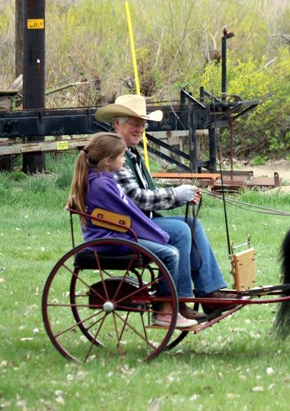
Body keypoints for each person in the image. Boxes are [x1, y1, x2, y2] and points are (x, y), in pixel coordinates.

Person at [95, 94, 229, 320]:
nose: (139, 129)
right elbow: (137, 198)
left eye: (142, 124)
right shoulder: (114, 156)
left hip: (139, 221)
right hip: (125, 226)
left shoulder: (131, 154)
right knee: (181, 230)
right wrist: (176, 193)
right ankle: (177, 300)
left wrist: (179, 196)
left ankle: (209, 292)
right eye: (133, 124)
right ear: (117, 123)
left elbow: (147, 193)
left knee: (192, 224)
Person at [66, 132, 197, 329]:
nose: (123, 161)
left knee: (174, 241)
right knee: (170, 254)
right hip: (110, 241)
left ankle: (174, 303)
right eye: (121, 157)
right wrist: (156, 233)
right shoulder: (102, 184)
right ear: (108, 161)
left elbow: (128, 212)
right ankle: (165, 312)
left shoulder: (104, 179)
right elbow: (130, 215)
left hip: (116, 235)